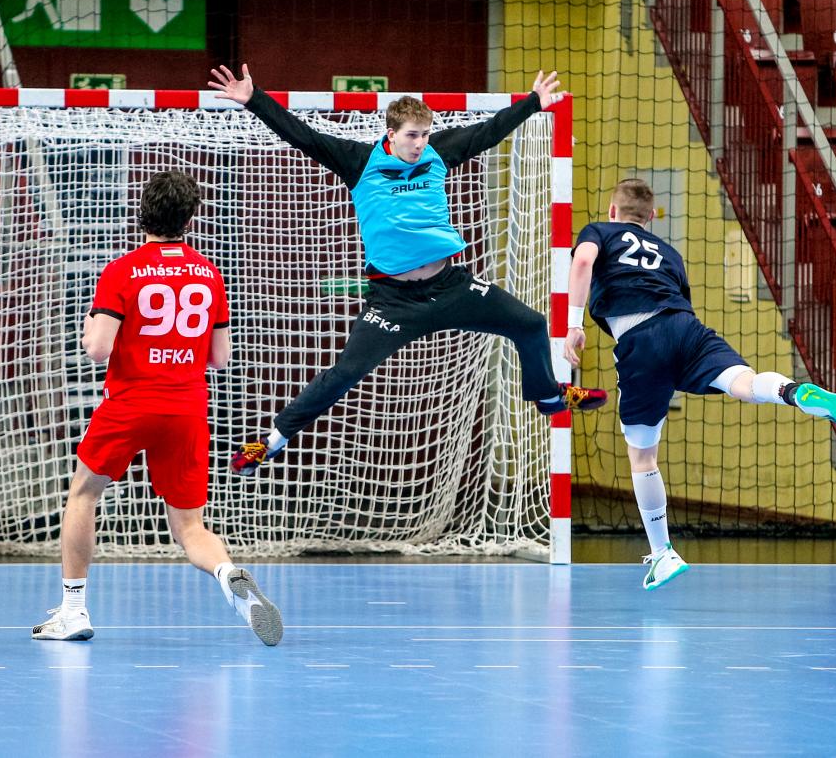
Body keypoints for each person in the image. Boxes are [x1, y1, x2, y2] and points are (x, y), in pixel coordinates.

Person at [208, 64, 607, 474]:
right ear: (391, 134)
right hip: (394, 302)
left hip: (451, 288)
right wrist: (254, 99)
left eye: (425, 135)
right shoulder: (358, 161)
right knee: (345, 373)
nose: (419, 144)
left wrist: (533, 103)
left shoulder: (437, 153)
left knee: (530, 324)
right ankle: (270, 442)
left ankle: (548, 397)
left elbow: (487, 132)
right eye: (412, 136)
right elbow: (303, 135)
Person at [563, 178, 836, 590]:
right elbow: (677, 301)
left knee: (643, 456)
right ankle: (793, 392)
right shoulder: (668, 253)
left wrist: (574, 324)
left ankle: (663, 553)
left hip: (640, 340)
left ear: (613, 212)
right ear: (650, 218)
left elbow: (583, 262)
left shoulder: (599, 231)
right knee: (745, 382)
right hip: (686, 328)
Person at [32, 170, 282, 646]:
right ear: (189, 219)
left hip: (130, 403)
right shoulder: (208, 273)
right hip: (186, 408)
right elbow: (220, 358)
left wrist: (90, 327)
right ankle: (227, 572)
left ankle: (73, 610)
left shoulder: (122, 270)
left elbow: (98, 349)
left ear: (142, 213)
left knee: (83, 494)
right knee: (190, 526)